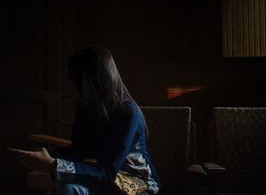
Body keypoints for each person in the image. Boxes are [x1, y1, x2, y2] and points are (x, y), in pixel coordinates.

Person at [9, 46, 160, 195]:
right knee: (67, 188)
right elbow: (77, 150)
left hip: (135, 185)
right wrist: (45, 155)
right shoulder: (85, 107)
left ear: (89, 83)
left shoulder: (128, 113)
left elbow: (108, 172)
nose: (69, 85)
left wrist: (53, 164)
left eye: (73, 80)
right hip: (103, 179)